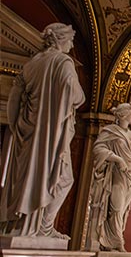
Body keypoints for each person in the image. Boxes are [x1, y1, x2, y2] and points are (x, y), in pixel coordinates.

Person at [2, 23, 86, 240]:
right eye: (69, 40)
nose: (71, 45)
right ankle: (43, 228)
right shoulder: (63, 63)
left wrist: (15, 125)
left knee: (25, 178)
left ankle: (21, 225)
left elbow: (13, 98)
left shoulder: (32, 64)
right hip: (50, 135)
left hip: (28, 133)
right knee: (63, 179)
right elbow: (77, 96)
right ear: (60, 40)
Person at [93, 103, 131, 252]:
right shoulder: (110, 131)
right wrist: (118, 159)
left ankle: (114, 241)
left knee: (123, 210)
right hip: (118, 173)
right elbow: (98, 149)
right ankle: (116, 241)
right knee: (116, 207)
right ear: (124, 115)